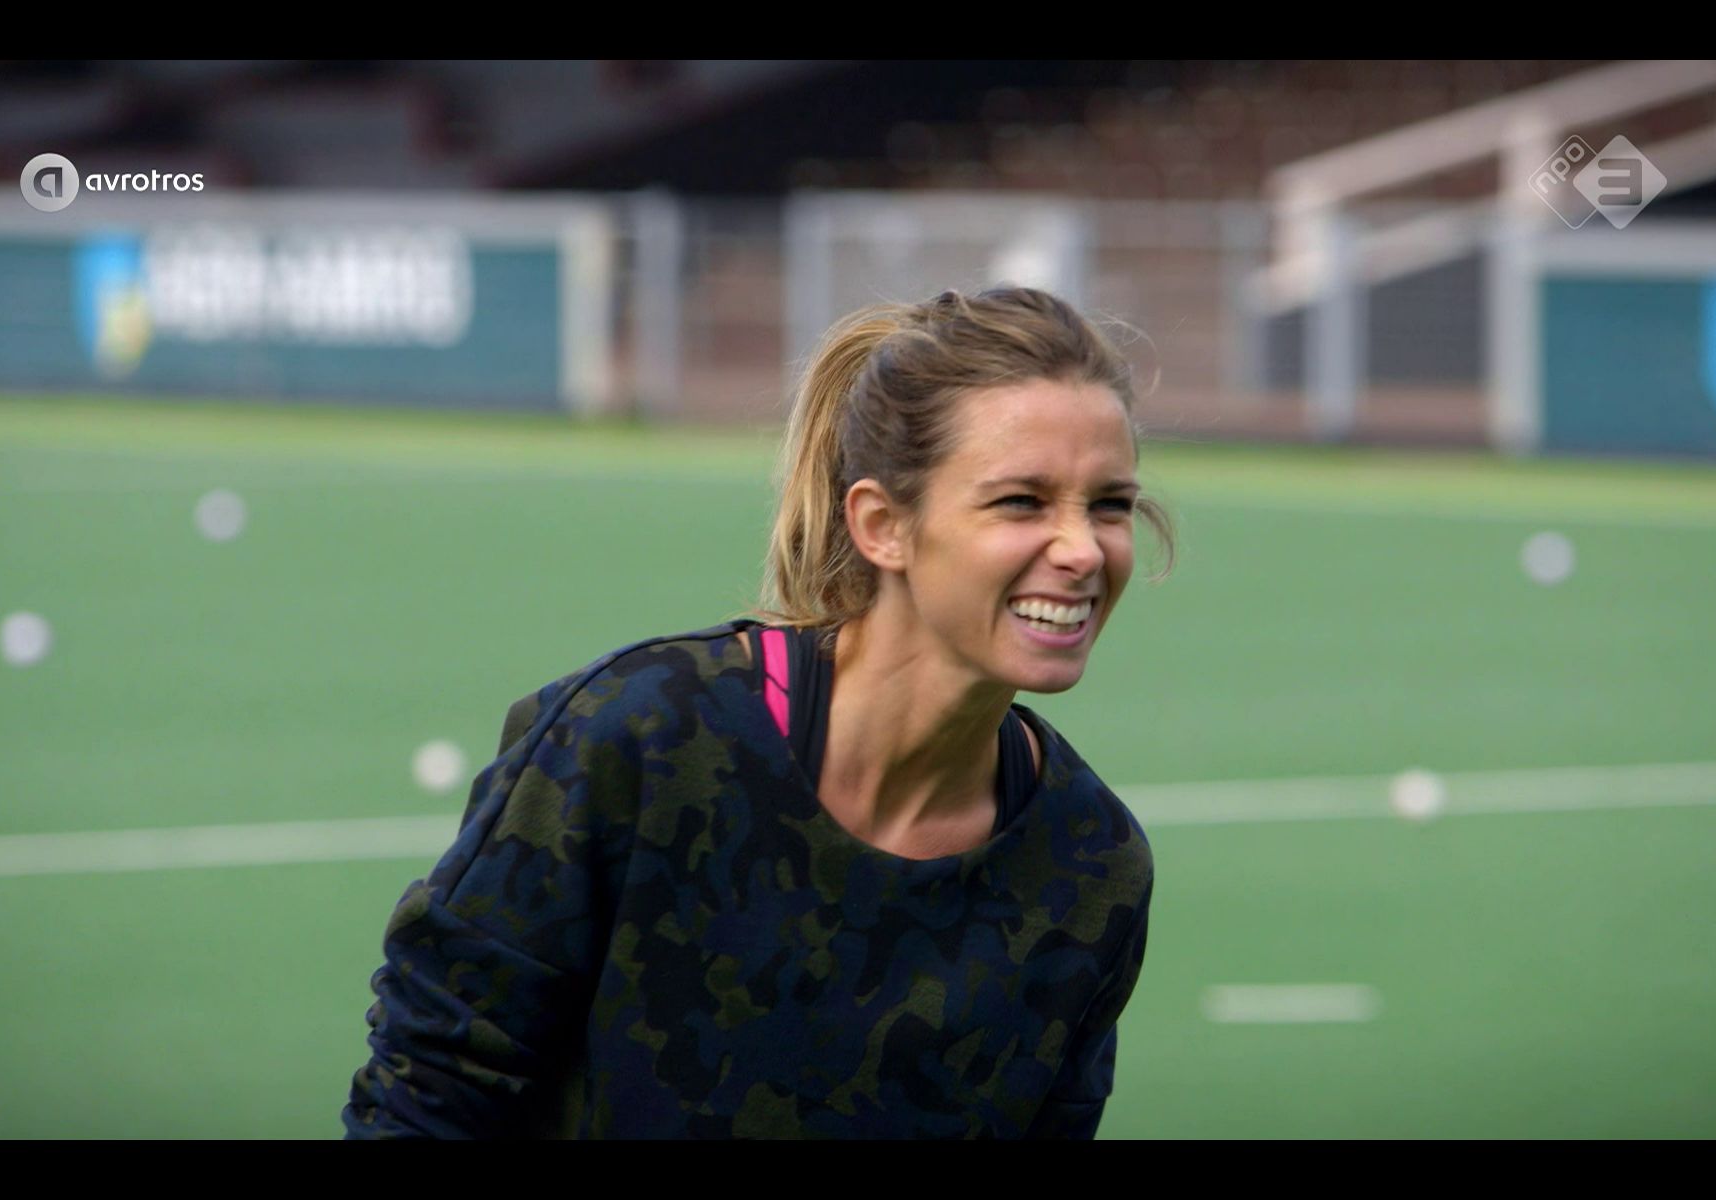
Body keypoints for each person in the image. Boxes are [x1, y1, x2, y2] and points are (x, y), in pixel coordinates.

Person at [343, 285, 1177, 1139]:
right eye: (1021, 501)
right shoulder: (644, 738)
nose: (1083, 550)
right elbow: (427, 1095)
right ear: (883, 525)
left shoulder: (1092, 862)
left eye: (1110, 505)